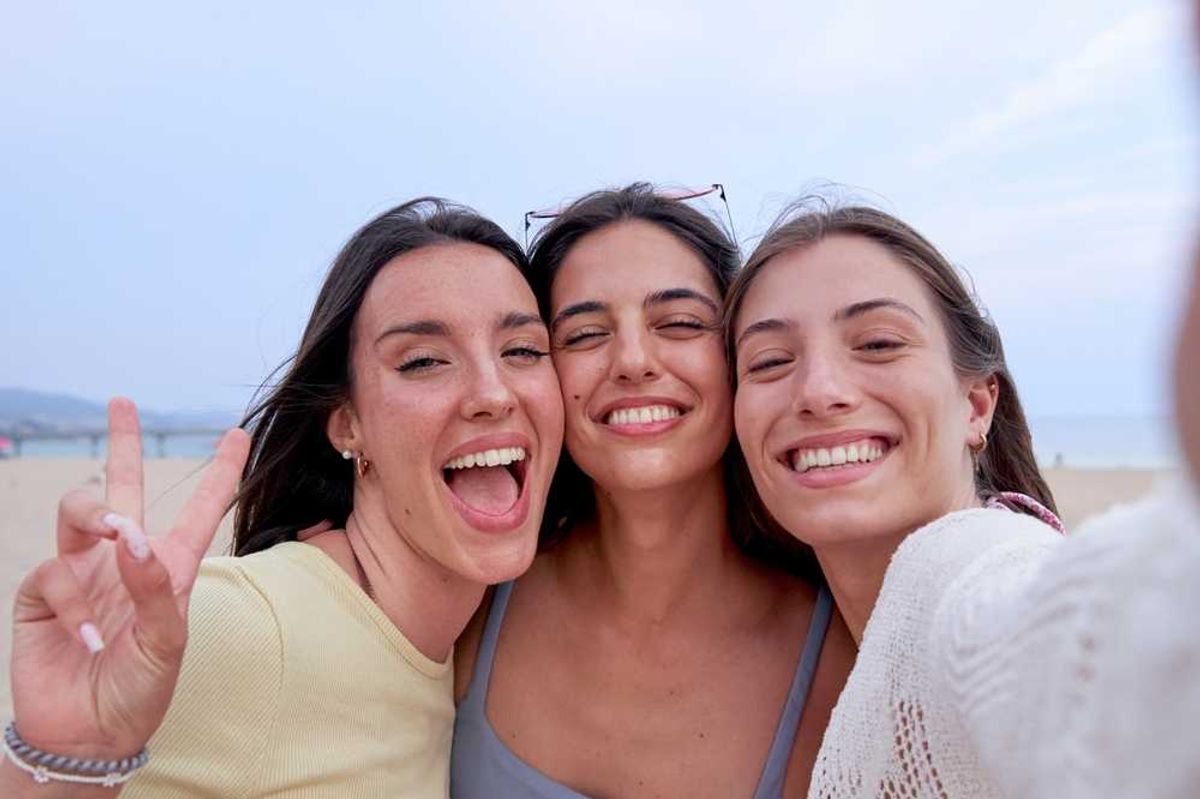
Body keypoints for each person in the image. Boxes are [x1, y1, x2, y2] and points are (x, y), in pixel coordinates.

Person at [2, 198, 564, 798]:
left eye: (523, 350)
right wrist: (66, 761)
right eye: (424, 361)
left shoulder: (471, 651)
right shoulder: (234, 623)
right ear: (347, 423)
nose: (492, 392)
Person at [726, 200, 1200, 798]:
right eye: (769, 362)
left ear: (976, 405)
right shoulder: (820, 647)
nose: (819, 391)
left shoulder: (976, 576)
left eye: (876, 344)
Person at [451, 184, 856, 799]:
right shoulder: (465, 606)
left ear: (739, 357)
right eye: (585, 334)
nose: (633, 360)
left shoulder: (851, 644)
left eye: (680, 323)